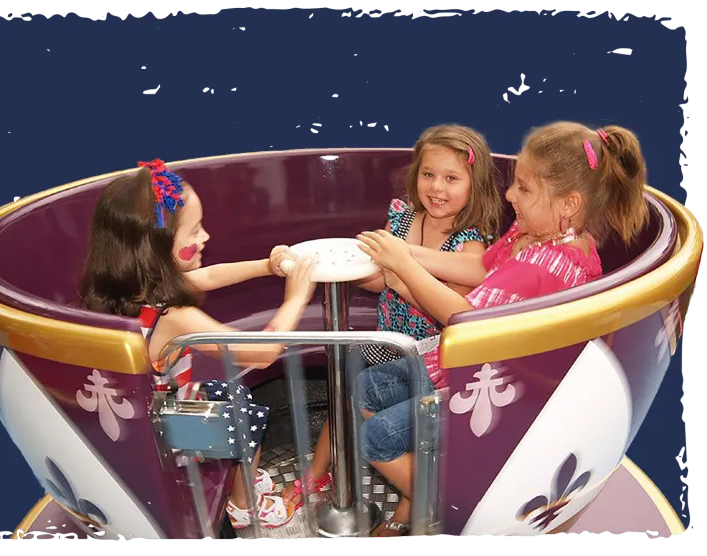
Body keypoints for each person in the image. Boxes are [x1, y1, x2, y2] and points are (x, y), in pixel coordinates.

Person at [354, 122, 648, 537]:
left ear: (568, 204)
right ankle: (417, 491)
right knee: (367, 389)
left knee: (376, 438)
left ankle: (446, 507)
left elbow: (465, 322)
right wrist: (408, 253)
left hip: (497, 393)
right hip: (471, 364)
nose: (510, 196)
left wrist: (403, 266)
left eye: (524, 189)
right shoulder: (531, 233)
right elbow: (479, 268)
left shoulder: (546, 266)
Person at [79, 159, 317, 529]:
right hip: (164, 432)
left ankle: (242, 484)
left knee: (232, 396)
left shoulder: (134, 289)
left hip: (152, 411)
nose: (204, 238)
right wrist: (295, 300)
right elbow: (263, 352)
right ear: (155, 247)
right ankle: (243, 506)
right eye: (194, 232)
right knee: (245, 418)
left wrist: (264, 266)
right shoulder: (173, 314)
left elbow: (207, 276)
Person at [279, 125, 502, 512]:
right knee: (349, 392)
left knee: (407, 430)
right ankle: (318, 474)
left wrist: (400, 279)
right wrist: (350, 264)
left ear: (474, 184)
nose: (437, 188)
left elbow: (452, 308)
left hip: (429, 360)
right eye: (429, 175)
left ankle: (412, 501)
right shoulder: (401, 217)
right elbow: (379, 277)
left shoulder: (470, 240)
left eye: (451, 178)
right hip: (389, 343)